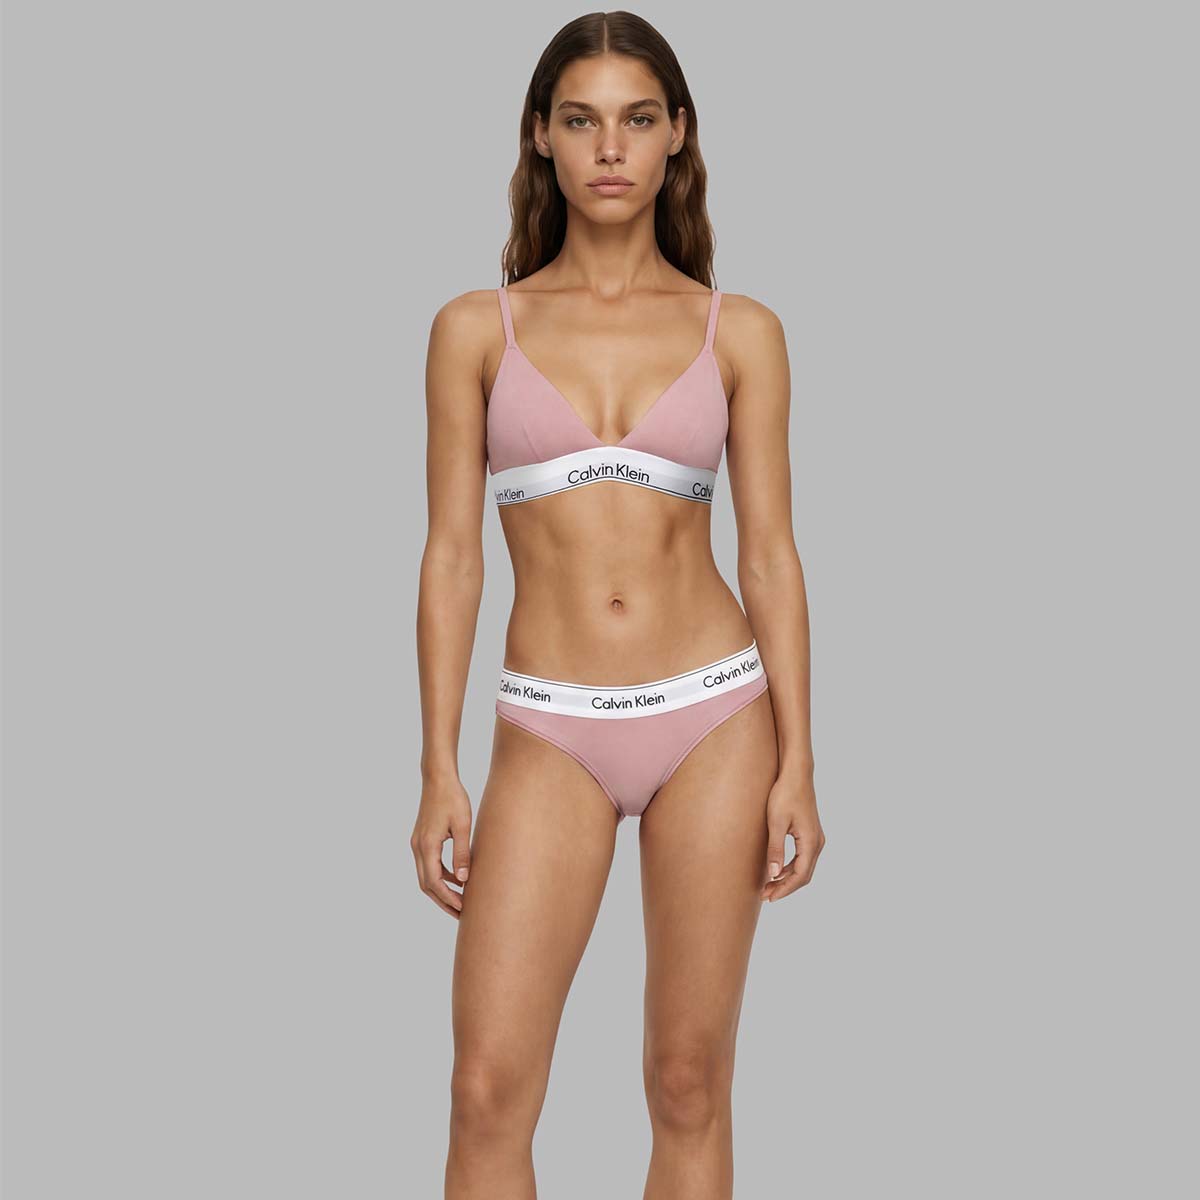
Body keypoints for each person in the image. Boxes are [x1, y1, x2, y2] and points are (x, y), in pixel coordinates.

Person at [412, 12, 824, 1197]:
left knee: (688, 1082)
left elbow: (771, 557)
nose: (610, 147)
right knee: (486, 1092)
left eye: (638, 119)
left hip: (714, 716)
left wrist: (799, 762)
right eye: (582, 119)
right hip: (550, 724)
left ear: (677, 135)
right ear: (540, 137)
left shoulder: (740, 330)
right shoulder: (472, 330)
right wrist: (439, 765)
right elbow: (452, 558)